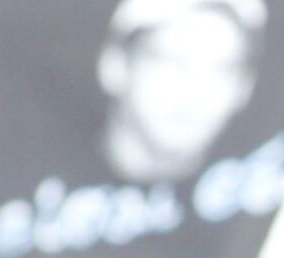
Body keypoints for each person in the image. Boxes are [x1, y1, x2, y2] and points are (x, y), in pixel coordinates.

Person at [99, 0, 267, 184]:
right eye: (172, 61)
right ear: (114, 67)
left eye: (222, 70)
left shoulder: (260, 185)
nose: (196, 89)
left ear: (245, 88)